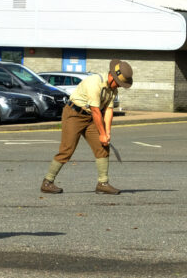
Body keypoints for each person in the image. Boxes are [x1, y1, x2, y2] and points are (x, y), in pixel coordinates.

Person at [41, 60, 133, 195]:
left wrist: (107, 133)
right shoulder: (94, 83)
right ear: (112, 77)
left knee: (103, 146)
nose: (119, 87)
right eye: (119, 84)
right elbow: (96, 111)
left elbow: (108, 110)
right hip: (74, 114)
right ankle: (47, 182)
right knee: (67, 149)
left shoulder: (112, 89)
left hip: (90, 117)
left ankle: (103, 183)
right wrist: (102, 133)